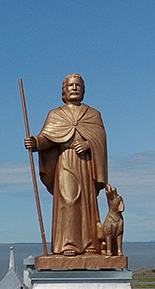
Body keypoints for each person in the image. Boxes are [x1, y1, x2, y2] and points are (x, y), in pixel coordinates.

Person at [24, 73, 107, 256]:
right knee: (69, 200)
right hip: (66, 162)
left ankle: (89, 244)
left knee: (88, 203)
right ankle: (68, 244)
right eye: (71, 85)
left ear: (83, 90)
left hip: (86, 163)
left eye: (78, 85)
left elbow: (100, 139)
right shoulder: (56, 114)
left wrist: (89, 144)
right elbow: (48, 138)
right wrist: (36, 142)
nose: (74, 88)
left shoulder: (93, 114)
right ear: (64, 91)